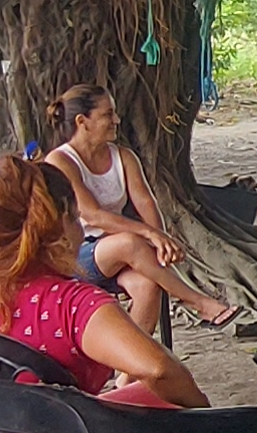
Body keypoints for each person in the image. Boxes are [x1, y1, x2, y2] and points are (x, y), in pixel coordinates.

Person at [0, 154, 212, 405]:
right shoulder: (72, 306)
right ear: (60, 228)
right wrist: (205, 414)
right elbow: (158, 370)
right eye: (76, 219)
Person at [38, 85, 232, 333]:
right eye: (108, 114)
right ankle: (199, 302)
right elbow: (92, 215)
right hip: (77, 255)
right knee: (129, 243)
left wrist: (160, 242)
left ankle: (130, 358)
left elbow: (146, 202)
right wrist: (150, 234)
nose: (117, 120)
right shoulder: (60, 161)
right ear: (82, 121)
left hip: (119, 254)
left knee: (147, 286)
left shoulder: (124, 157)